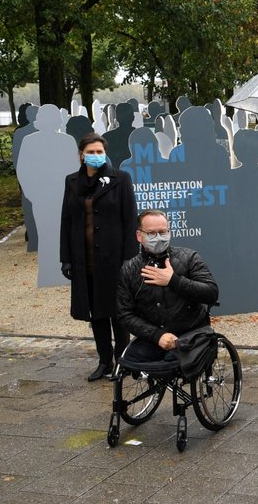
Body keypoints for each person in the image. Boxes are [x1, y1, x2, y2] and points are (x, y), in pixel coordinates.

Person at [60, 133, 138, 381]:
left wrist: (129, 258)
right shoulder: (72, 182)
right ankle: (104, 361)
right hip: (85, 260)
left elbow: (130, 220)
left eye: (99, 151)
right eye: (90, 152)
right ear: (81, 155)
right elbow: (67, 221)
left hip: (114, 259)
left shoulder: (120, 179)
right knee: (96, 313)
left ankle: (122, 361)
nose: (95, 156)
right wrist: (66, 258)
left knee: (118, 313)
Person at [115, 210, 218, 363]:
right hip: (153, 336)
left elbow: (211, 293)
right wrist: (158, 336)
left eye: (163, 232)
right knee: (128, 361)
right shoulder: (129, 269)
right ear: (139, 236)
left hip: (191, 334)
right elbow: (124, 314)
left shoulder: (189, 258)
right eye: (151, 233)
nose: (158, 238)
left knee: (173, 360)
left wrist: (174, 280)